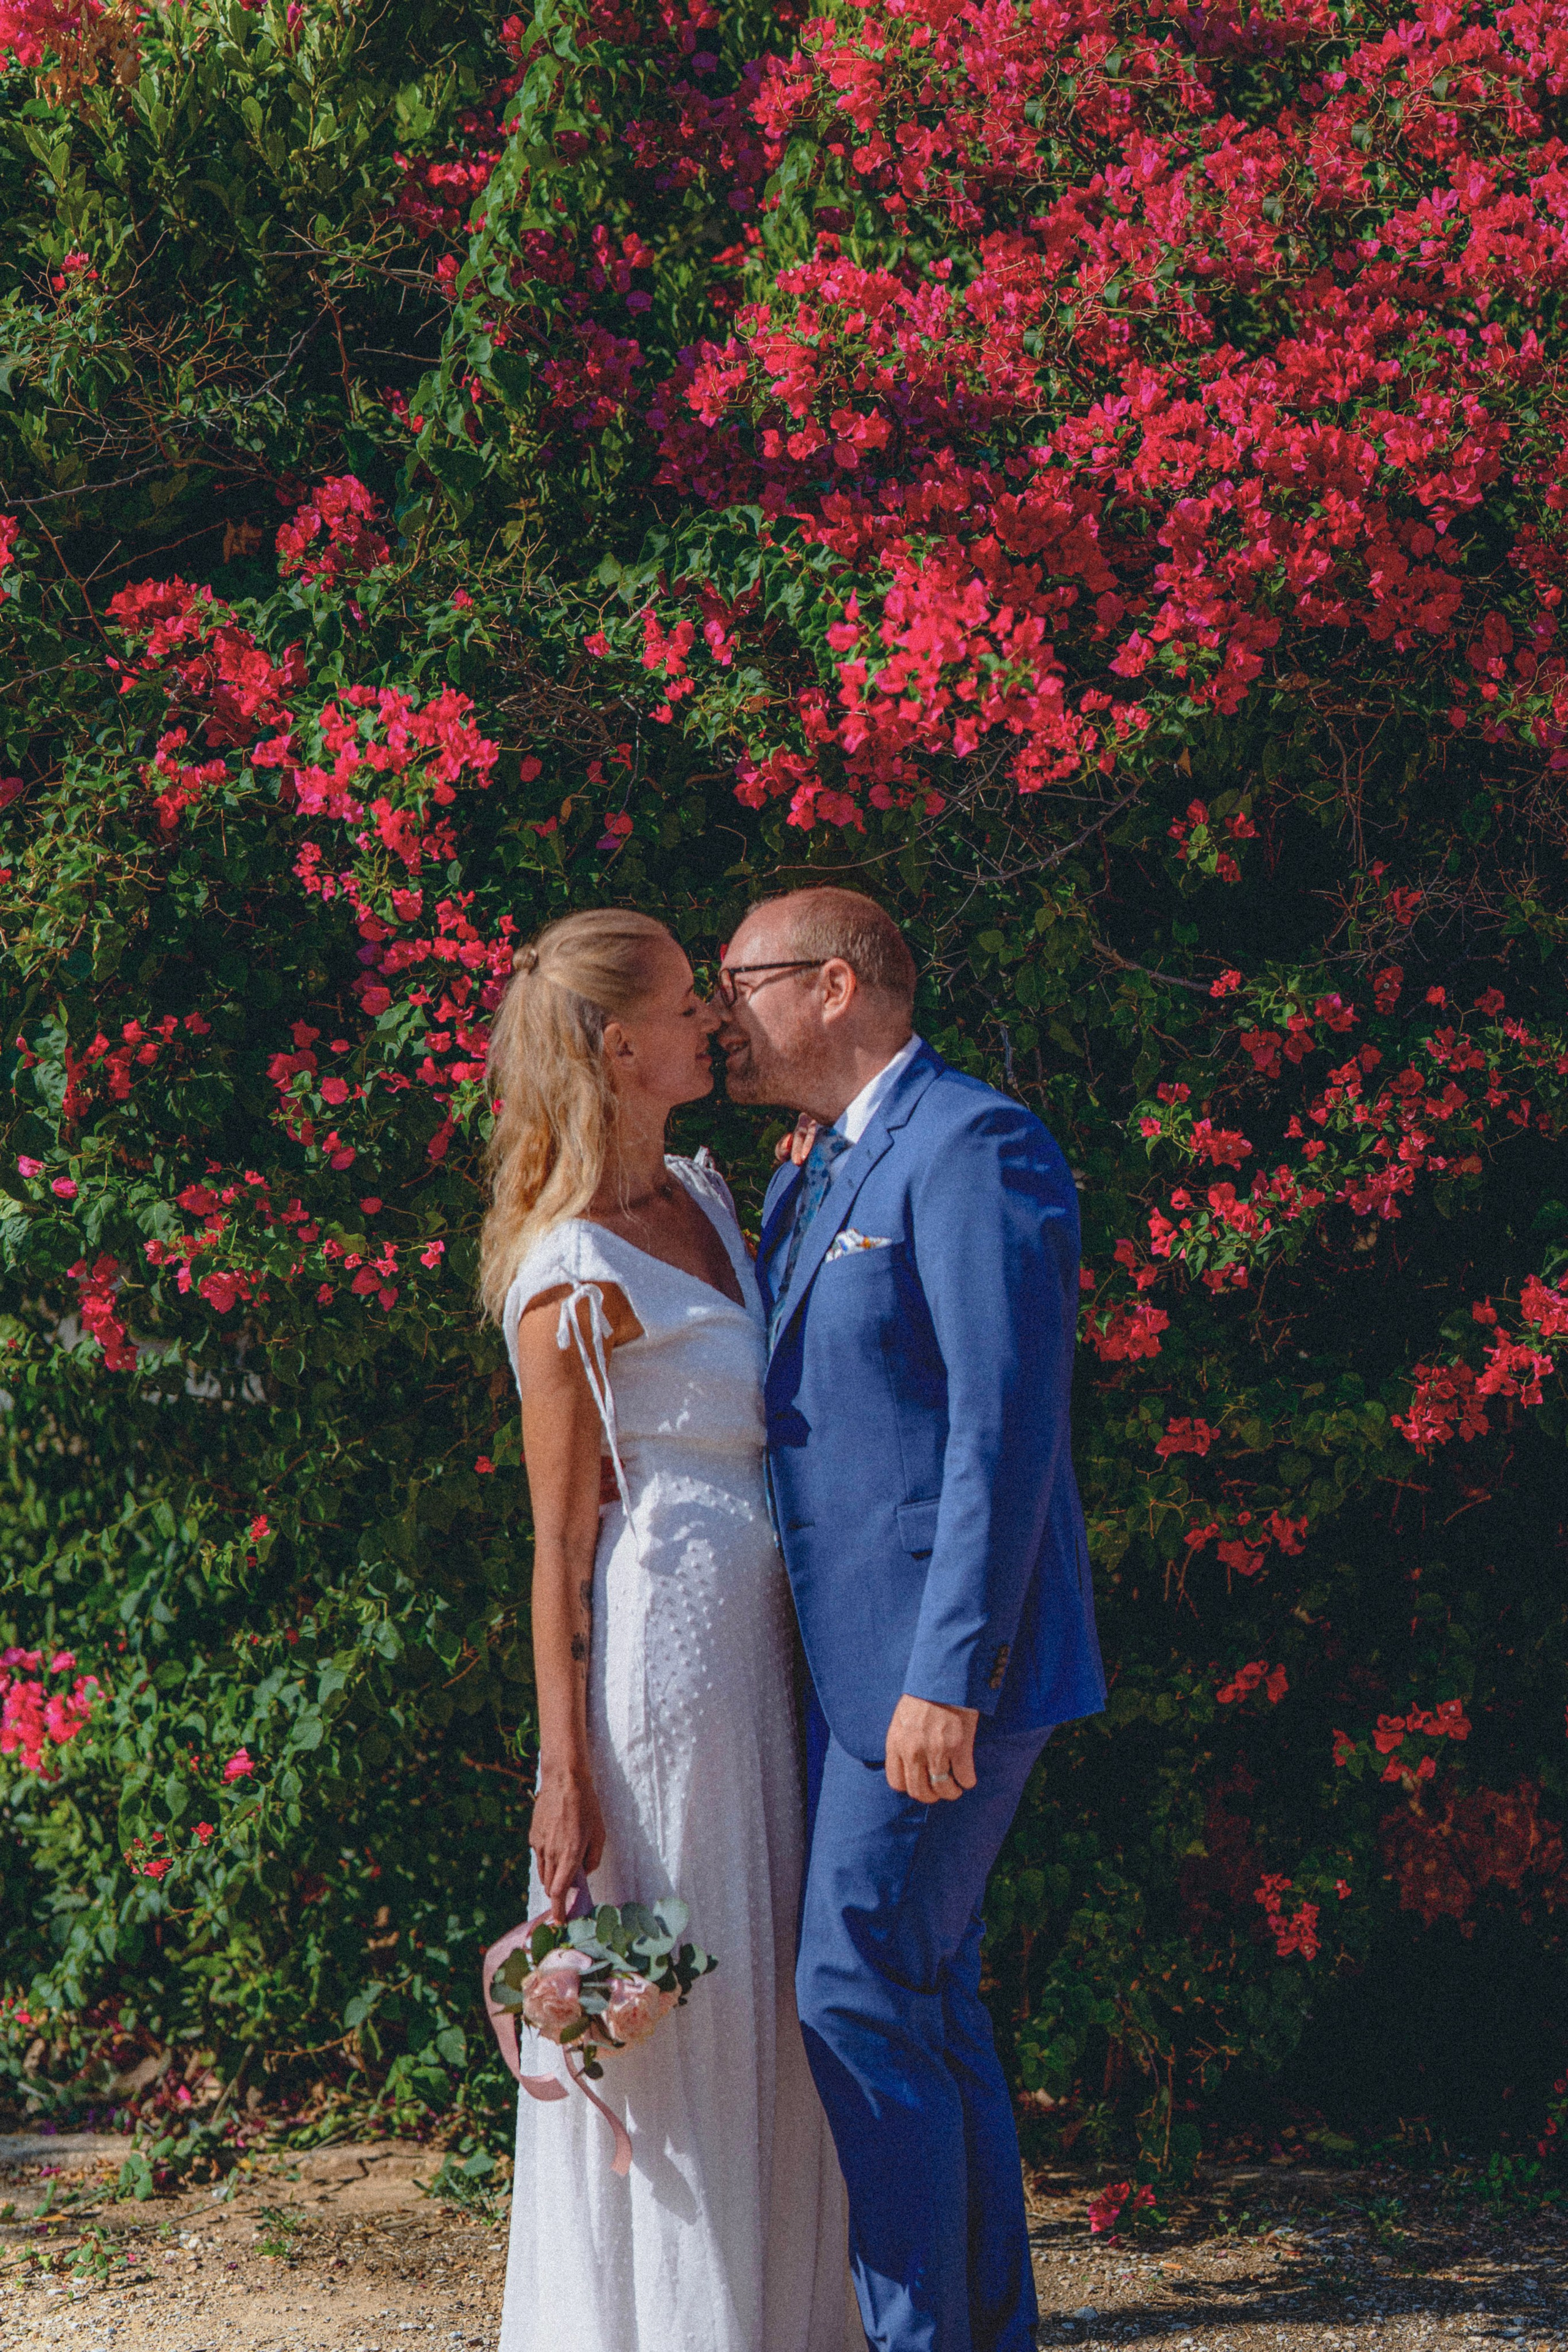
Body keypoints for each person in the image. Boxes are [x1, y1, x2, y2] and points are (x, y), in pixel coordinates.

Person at [717, 886, 1106, 2352]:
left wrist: (950, 1673)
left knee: (848, 1987)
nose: (719, 1011)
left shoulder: (970, 1144)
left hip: (943, 1673)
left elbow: (1003, 1441)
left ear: (831, 985)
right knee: (921, 1996)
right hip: (841, 1671)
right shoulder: (807, 1169)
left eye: (737, 980)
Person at [480, 909, 856, 2352]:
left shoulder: (709, 1188)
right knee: (677, 1984)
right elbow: (556, 1551)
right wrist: (563, 1772)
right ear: (615, 1045)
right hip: (660, 1661)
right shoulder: (567, 1269)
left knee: (766, 1972)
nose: (715, 1020)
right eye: (689, 1003)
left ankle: (783, 2308)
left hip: (767, 1649)